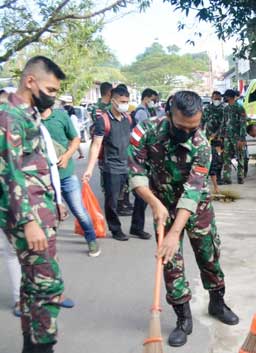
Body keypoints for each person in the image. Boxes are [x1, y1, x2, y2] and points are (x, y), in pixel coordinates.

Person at [129, 91, 239, 347]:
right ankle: (183, 318)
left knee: (208, 254)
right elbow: (135, 172)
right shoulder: (145, 131)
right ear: (169, 114)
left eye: (193, 127)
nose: (187, 133)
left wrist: (174, 233)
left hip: (196, 206)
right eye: (181, 127)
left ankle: (217, 303)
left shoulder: (201, 143)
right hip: (162, 203)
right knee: (171, 263)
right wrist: (154, 203)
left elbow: (193, 190)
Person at [0, 55, 66, 353]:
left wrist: (56, 200)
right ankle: (42, 348)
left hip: (41, 213)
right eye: (50, 90)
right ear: (30, 81)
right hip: (30, 221)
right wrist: (28, 222)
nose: (53, 96)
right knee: (47, 286)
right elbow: (9, 172)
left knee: (31, 287)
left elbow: (39, 166)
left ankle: (31, 346)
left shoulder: (28, 114)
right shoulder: (9, 116)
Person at [83, 85, 151, 241]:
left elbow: (135, 139)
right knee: (112, 202)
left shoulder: (128, 118)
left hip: (130, 165)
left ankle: (137, 227)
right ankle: (115, 229)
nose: (125, 104)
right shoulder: (103, 120)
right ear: (113, 101)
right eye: (122, 101)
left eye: (127, 101)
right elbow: (96, 145)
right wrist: (89, 169)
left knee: (142, 196)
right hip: (112, 167)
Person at [41, 107, 101, 256]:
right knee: (48, 216)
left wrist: (67, 156)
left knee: (79, 211)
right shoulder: (30, 119)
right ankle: (48, 250)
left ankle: (91, 239)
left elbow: (75, 139)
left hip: (66, 175)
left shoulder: (60, 116)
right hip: (43, 179)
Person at [221, 89, 247, 184]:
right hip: (227, 137)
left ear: (229, 97)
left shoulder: (239, 108)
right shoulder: (226, 109)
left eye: (226, 96)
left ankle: (240, 177)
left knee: (240, 157)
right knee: (226, 157)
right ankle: (227, 178)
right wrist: (221, 136)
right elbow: (224, 123)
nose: (224, 98)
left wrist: (242, 138)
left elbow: (243, 123)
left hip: (237, 137)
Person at [203, 91, 225, 184]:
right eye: (215, 98)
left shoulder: (223, 109)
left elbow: (224, 123)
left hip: (220, 137)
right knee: (209, 157)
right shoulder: (207, 108)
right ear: (212, 98)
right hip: (209, 138)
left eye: (219, 98)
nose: (217, 100)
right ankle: (207, 176)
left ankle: (218, 177)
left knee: (219, 158)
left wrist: (217, 134)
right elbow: (202, 121)